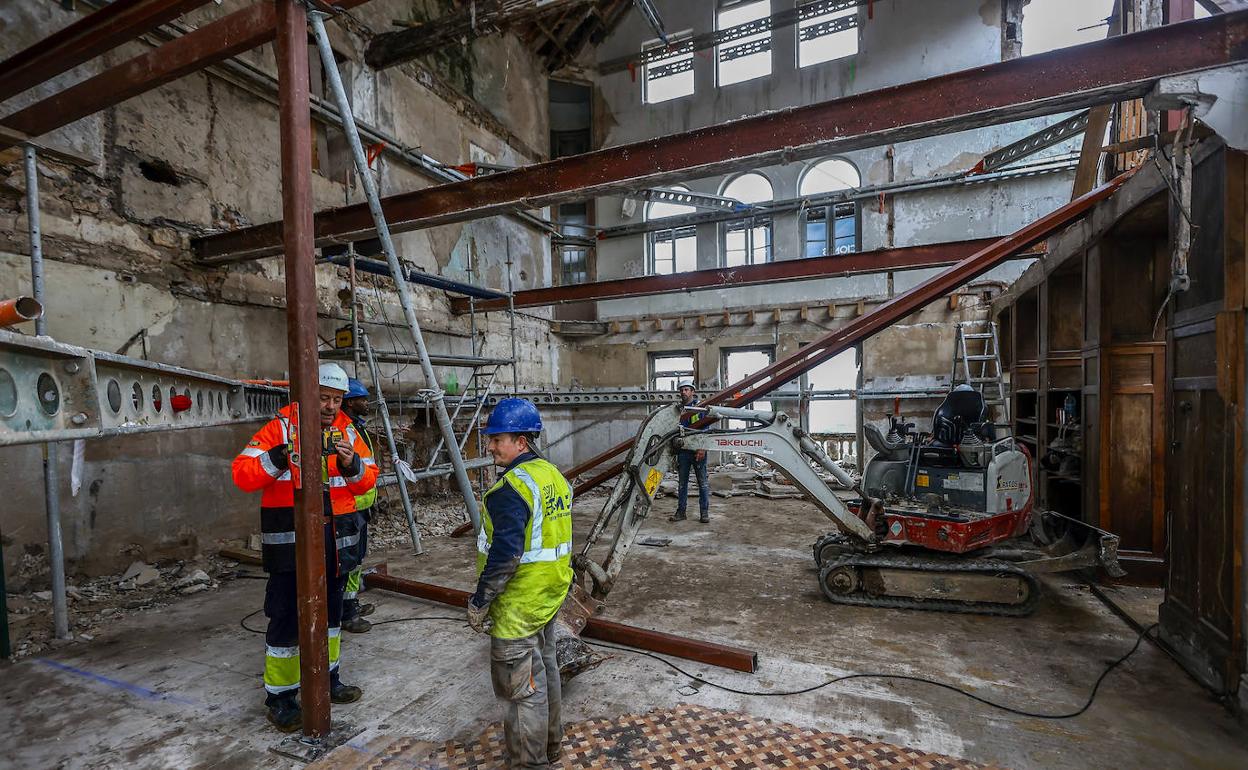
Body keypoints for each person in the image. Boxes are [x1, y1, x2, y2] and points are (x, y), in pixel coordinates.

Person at [231, 362, 378, 732]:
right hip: (291, 548)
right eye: (324, 398)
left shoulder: (348, 432)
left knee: (330, 617)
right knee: (285, 620)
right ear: (307, 395)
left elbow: (368, 480)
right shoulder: (279, 429)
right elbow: (242, 475)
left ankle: (328, 680)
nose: (331, 406)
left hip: (335, 544)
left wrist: (351, 464)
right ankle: (281, 697)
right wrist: (280, 456)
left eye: (337, 399)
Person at [465, 398, 573, 769]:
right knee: (545, 669)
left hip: (519, 603)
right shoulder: (552, 475)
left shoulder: (510, 489)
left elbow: (506, 555)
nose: (491, 446)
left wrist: (480, 600)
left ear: (522, 442)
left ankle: (530, 763)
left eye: (498, 439)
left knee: (520, 691)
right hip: (550, 592)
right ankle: (552, 745)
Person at [340, 377, 376, 634]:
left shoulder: (356, 427)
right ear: (350, 402)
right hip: (348, 508)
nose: (367, 403)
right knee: (349, 561)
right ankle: (347, 613)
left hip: (361, 505)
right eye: (362, 399)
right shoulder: (343, 431)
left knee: (357, 559)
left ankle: (351, 602)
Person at [670, 382, 710, 523]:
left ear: (692, 391)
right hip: (683, 451)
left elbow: (706, 429)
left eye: (686, 389)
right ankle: (681, 512)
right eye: (681, 390)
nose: (683, 392)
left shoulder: (700, 408)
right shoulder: (679, 410)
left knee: (702, 483)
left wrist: (702, 448)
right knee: (682, 483)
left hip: (697, 450)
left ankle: (704, 513)